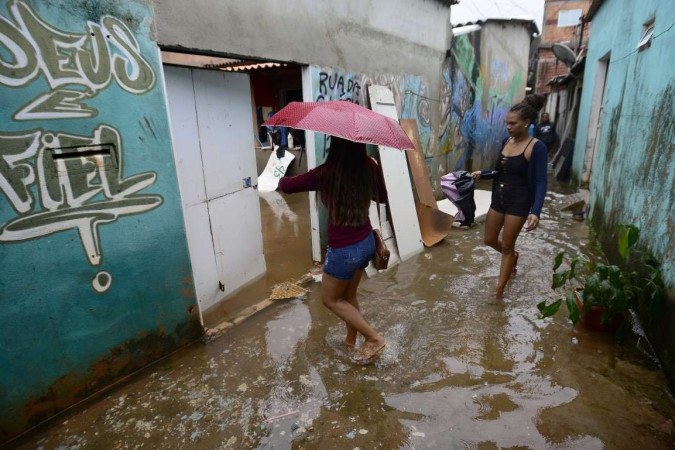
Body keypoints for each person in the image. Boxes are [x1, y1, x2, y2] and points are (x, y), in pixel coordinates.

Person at [278, 136, 387, 363]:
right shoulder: (369, 166)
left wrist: (279, 171)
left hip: (344, 252)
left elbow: (287, 187)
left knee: (330, 300)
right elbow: (383, 197)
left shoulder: (326, 173)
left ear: (335, 146)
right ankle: (350, 340)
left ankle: (373, 338)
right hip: (366, 243)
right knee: (348, 296)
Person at [471, 94, 547, 298]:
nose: (508, 127)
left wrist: (536, 211)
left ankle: (499, 292)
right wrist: (483, 173)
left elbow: (541, 181)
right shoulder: (506, 141)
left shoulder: (537, 147)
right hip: (500, 199)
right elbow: (502, 171)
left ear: (526, 123)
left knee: (506, 246)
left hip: (519, 202)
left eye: (513, 123)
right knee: (488, 239)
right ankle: (513, 257)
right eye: (507, 123)